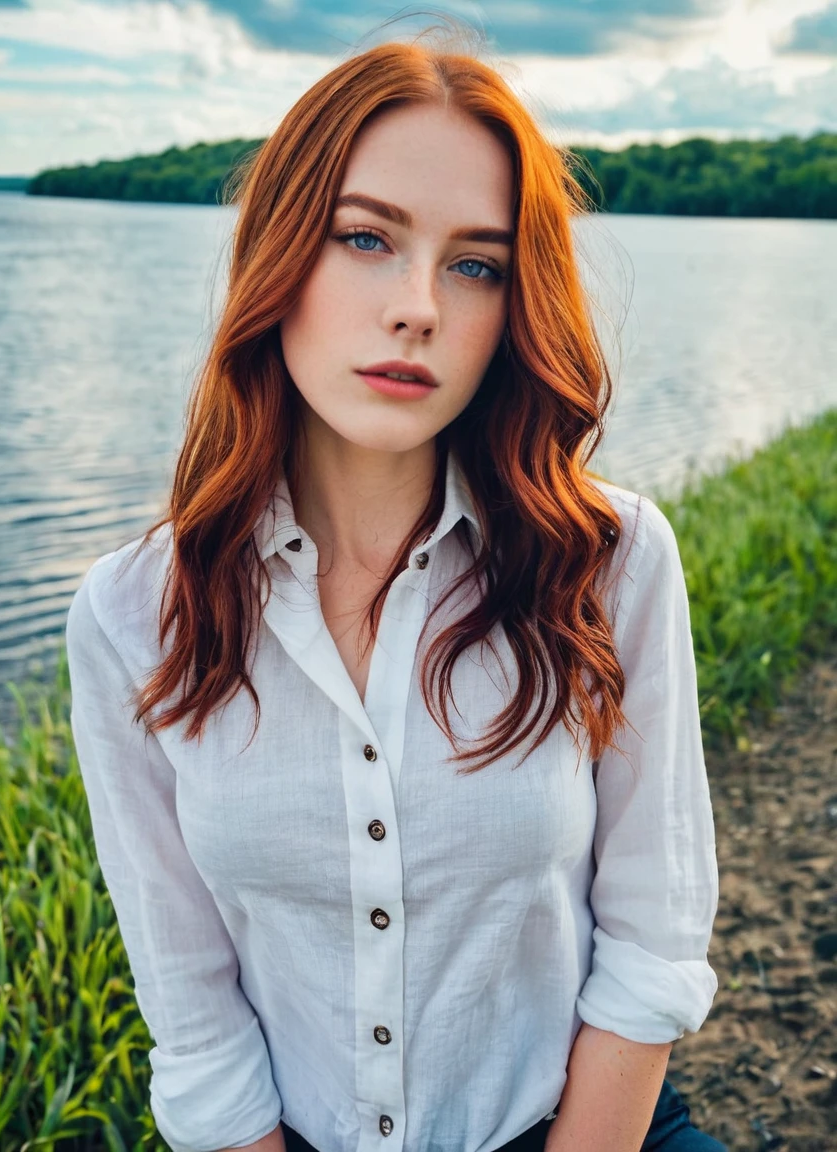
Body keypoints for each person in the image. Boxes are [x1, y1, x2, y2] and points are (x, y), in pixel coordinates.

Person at [66, 26, 724, 1152]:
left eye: (474, 264)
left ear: (510, 309)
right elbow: (195, 1020)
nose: (417, 305)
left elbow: (651, 940)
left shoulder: (608, 559)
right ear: (278, 257)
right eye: (364, 239)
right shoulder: (133, 614)